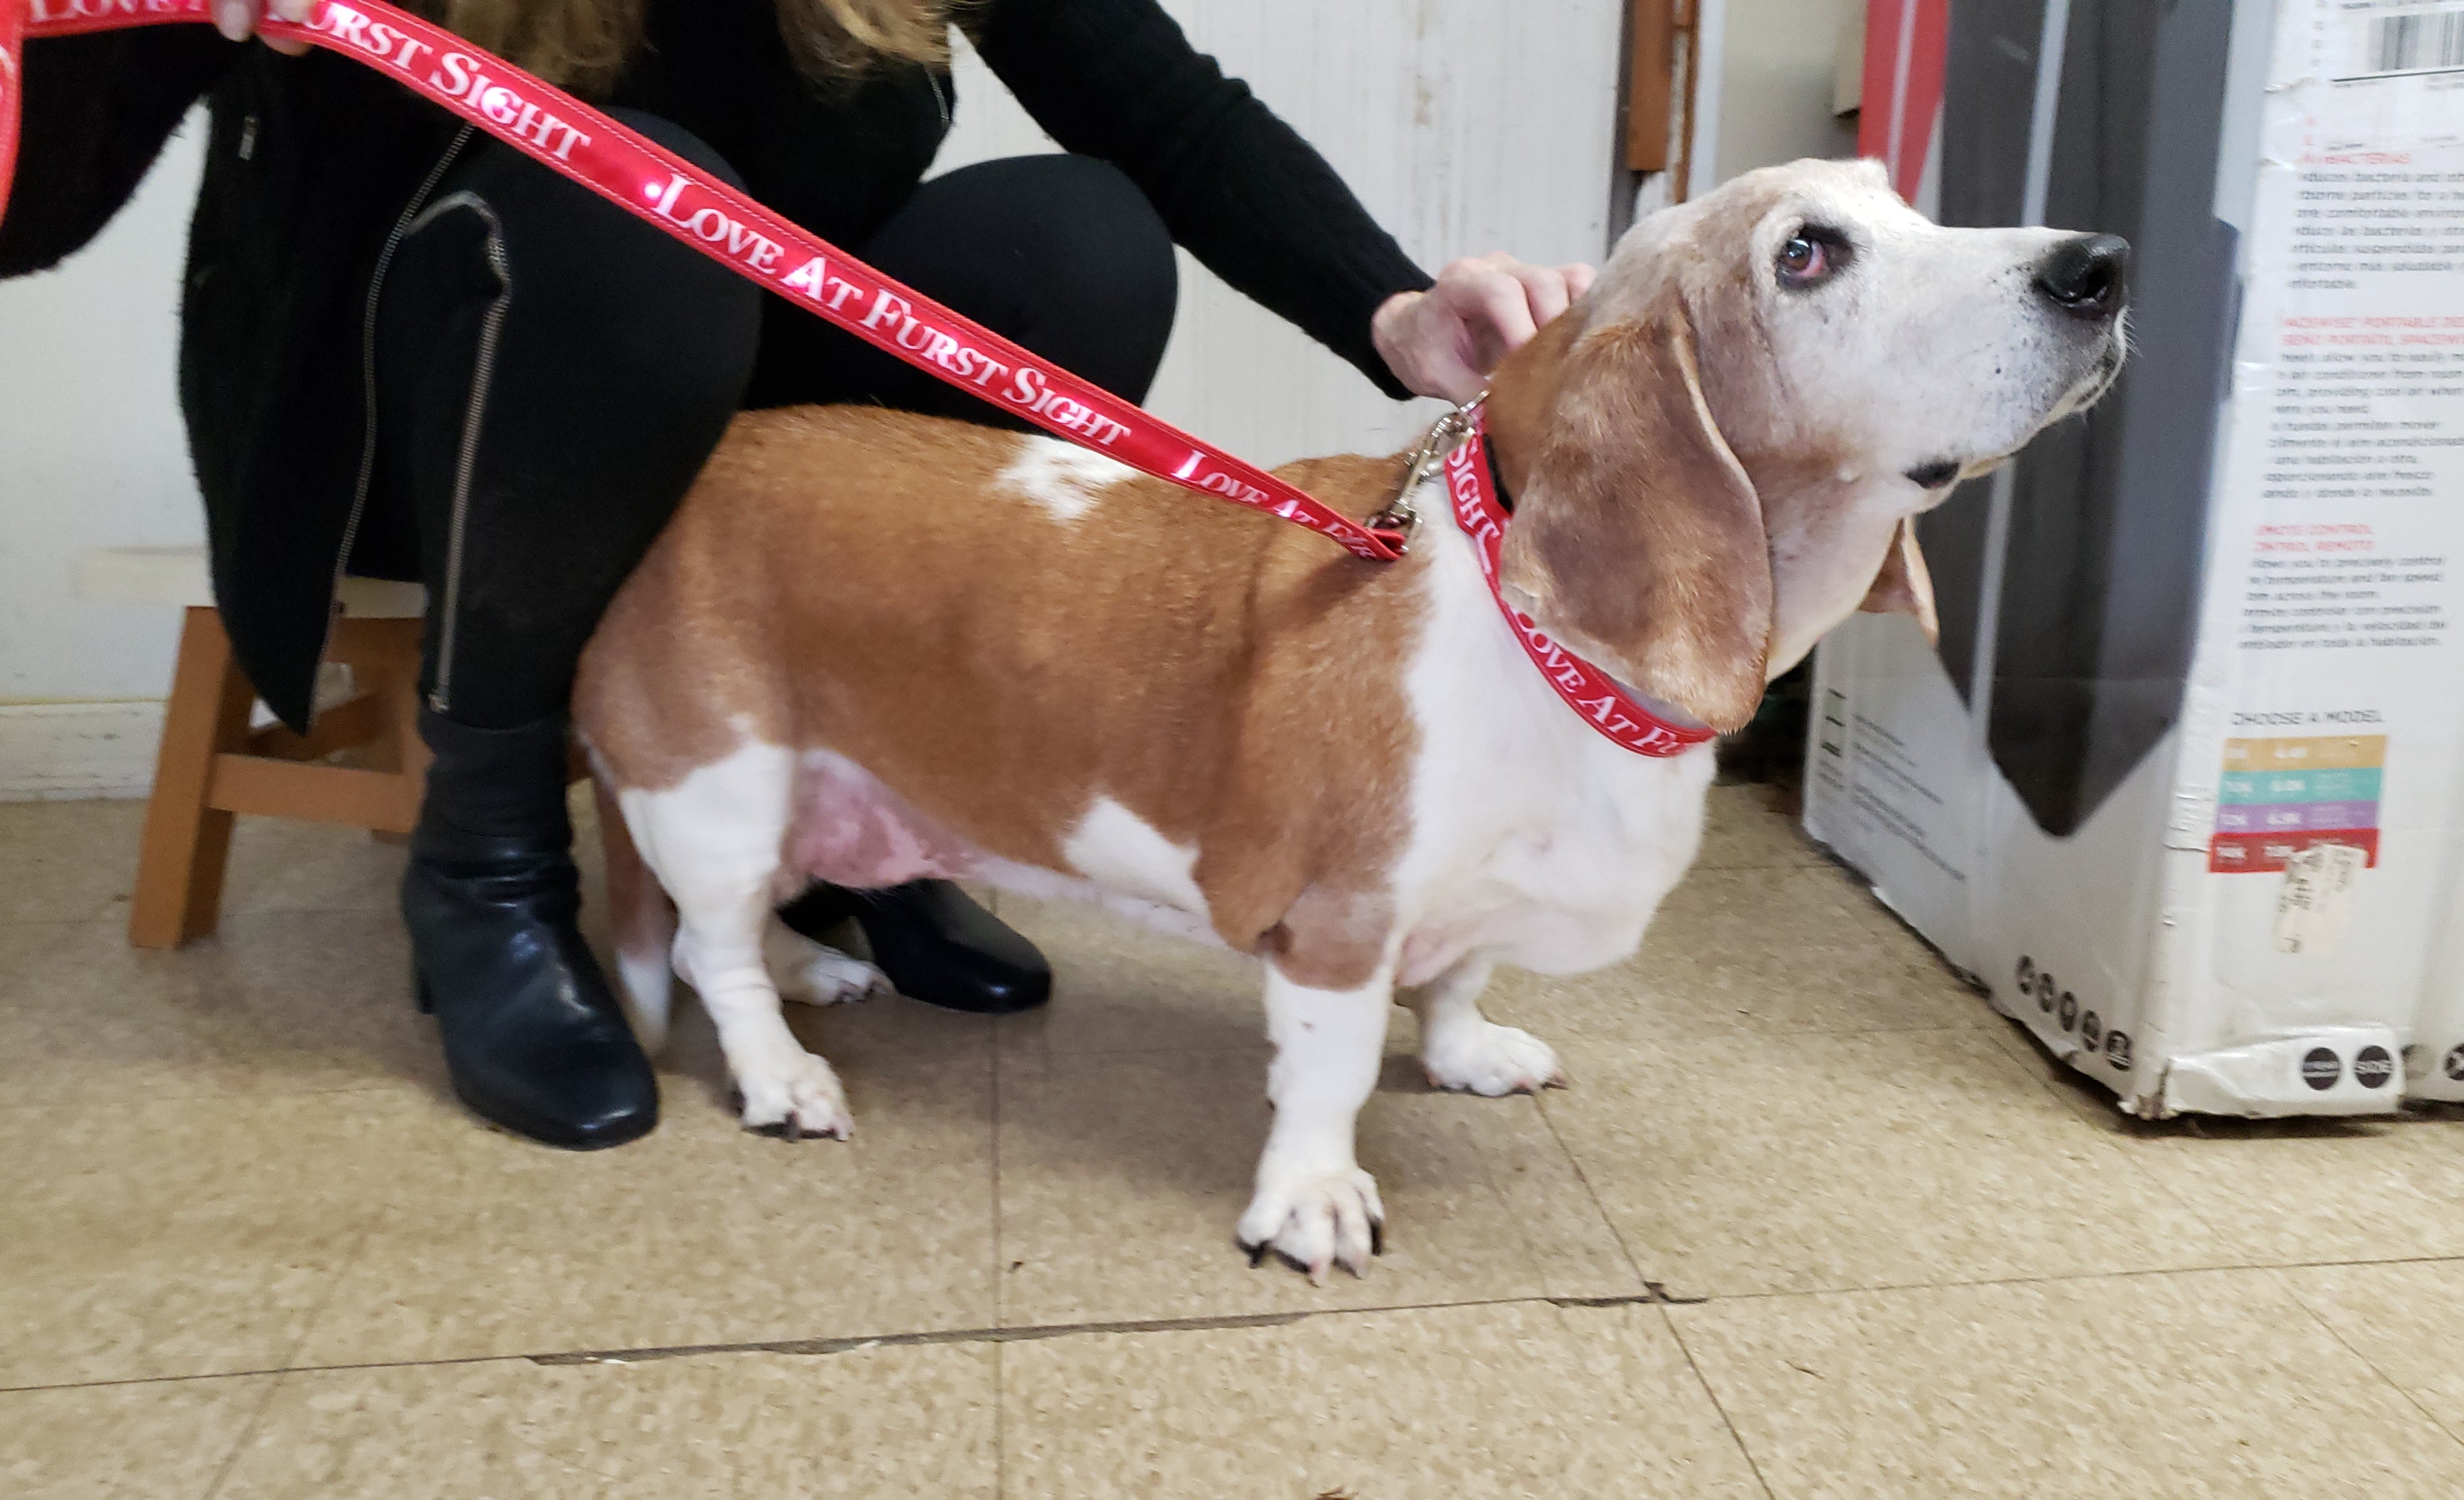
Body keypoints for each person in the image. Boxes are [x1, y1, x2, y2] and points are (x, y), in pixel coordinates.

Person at [0, 0, 1593, 1149]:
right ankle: (482, 860)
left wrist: (1390, 309)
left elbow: (1167, 110)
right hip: (447, 438)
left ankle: (867, 806)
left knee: (1075, 232)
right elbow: (30, 210)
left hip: (776, 485)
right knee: (636, 189)